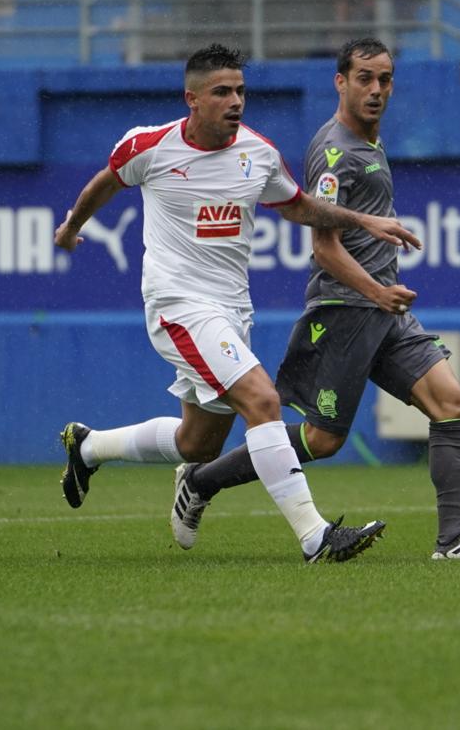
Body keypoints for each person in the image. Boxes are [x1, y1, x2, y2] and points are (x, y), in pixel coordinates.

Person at [54, 43, 422, 563]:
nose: (235, 102)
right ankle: (316, 538)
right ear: (193, 99)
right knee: (262, 401)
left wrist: (363, 221)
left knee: (198, 444)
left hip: (231, 309)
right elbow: (105, 183)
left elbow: (298, 206)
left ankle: (87, 448)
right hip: (177, 304)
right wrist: (72, 227)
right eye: (222, 92)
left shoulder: (258, 153)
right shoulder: (149, 147)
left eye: (241, 91)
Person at [168, 38, 460, 562]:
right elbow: (324, 248)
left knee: (452, 406)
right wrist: (376, 291)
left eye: (385, 80)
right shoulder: (334, 151)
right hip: (345, 312)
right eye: (365, 79)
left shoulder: (370, 145)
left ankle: (452, 542)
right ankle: (202, 482)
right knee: (322, 441)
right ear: (341, 82)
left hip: (385, 314)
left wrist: (382, 297)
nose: (376, 90)